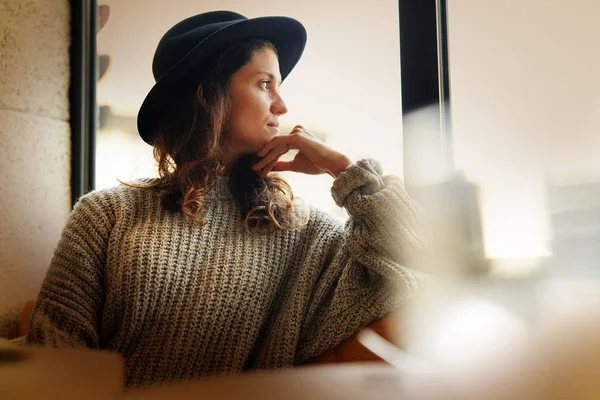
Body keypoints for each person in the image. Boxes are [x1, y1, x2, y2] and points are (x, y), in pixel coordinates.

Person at [22, 11, 424, 387]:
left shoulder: (304, 232)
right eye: (265, 83)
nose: (282, 106)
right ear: (207, 93)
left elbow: (419, 266)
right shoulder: (106, 213)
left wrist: (346, 170)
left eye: (279, 87)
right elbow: (56, 349)